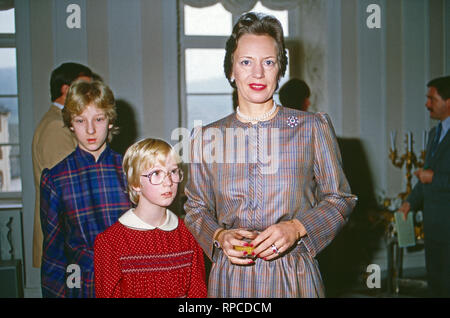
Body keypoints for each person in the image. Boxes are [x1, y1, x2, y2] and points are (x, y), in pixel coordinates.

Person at [183, 12, 357, 298]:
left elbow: (341, 199)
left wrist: (298, 227)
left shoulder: (312, 128)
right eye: (246, 62)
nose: (258, 73)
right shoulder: (205, 138)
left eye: (269, 62)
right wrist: (218, 236)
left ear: (280, 69)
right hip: (231, 279)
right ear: (231, 71)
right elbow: (196, 208)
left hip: (294, 276)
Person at [40, 80, 131, 297]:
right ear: (70, 124)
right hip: (84, 285)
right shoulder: (56, 179)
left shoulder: (132, 170)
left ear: (110, 121)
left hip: (130, 282)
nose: (90, 129)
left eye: (98, 119)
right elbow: (53, 256)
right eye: (80, 120)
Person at [94, 138, 207, 298]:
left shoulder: (188, 234)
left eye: (173, 171)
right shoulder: (110, 242)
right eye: (156, 173)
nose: (168, 182)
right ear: (135, 183)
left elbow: (198, 293)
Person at [32, 62, 93, 268]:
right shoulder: (56, 126)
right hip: (66, 235)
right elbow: (71, 187)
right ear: (65, 90)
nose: (91, 95)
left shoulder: (61, 121)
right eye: (85, 88)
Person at [399, 75, 450, 297]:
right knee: (436, 285)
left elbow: (431, 176)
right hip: (434, 228)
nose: (427, 104)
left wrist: (434, 178)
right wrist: (409, 202)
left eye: (432, 98)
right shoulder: (434, 134)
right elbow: (425, 178)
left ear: (448, 101)